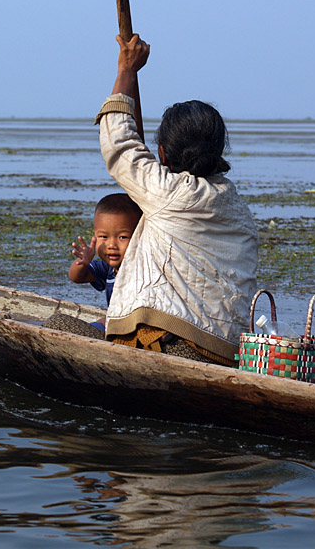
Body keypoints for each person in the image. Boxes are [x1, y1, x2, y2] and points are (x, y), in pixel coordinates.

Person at [94, 34, 258, 366]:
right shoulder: (236, 204)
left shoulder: (168, 193)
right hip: (228, 350)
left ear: (163, 153)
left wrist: (126, 69)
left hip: (174, 343)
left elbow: (118, 143)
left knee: (59, 326)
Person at [69, 193, 142, 328]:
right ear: (95, 236)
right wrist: (82, 264)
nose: (111, 245)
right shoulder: (108, 269)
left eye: (122, 237)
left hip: (135, 328)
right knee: (101, 322)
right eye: (103, 236)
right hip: (117, 323)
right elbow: (77, 277)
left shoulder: (143, 269)